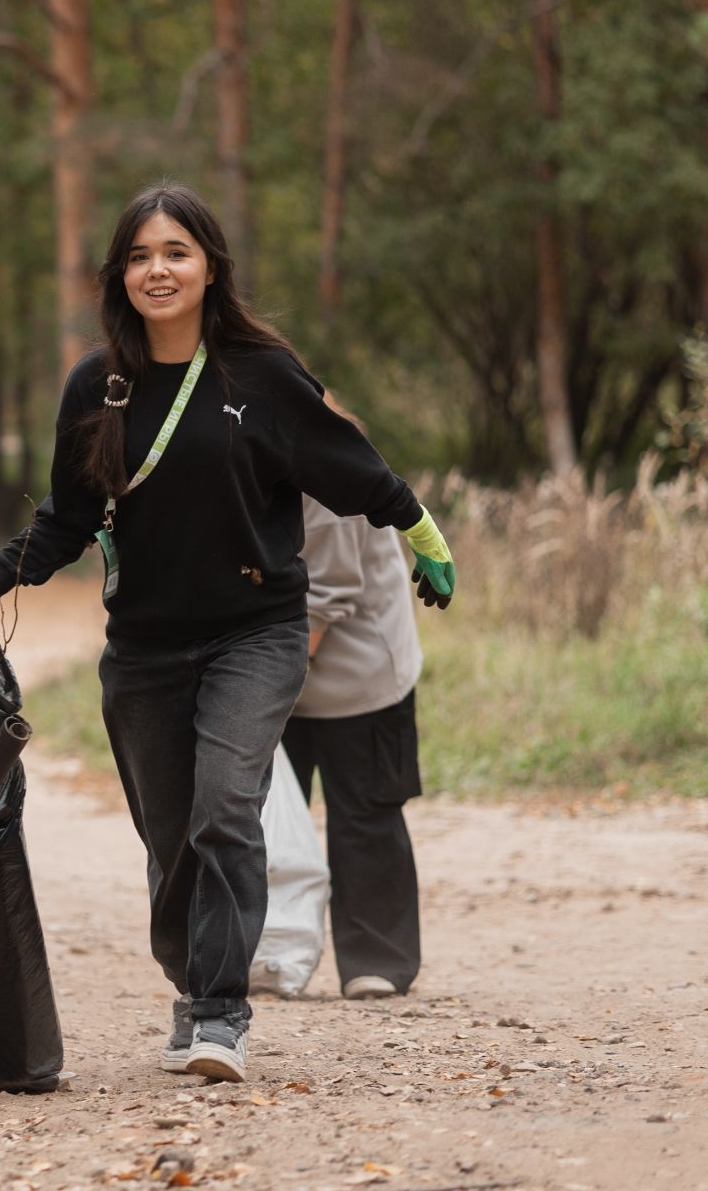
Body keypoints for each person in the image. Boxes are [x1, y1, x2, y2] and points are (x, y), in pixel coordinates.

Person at [0, 183, 455, 1083]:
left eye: (176, 252)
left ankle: (221, 1011)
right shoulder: (95, 385)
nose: (159, 270)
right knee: (172, 835)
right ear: (120, 274)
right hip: (143, 646)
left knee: (229, 804)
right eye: (141, 256)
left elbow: (350, 464)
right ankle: (194, 983)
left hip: (254, 632)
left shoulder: (260, 374)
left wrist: (418, 530)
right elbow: (69, 519)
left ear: (211, 267)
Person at [279, 392, 428, 1000]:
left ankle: (378, 959)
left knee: (365, 816)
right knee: (259, 822)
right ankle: (266, 954)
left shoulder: (324, 465)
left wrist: (263, 684)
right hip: (280, 669)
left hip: (358, 676)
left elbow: (330, 590)